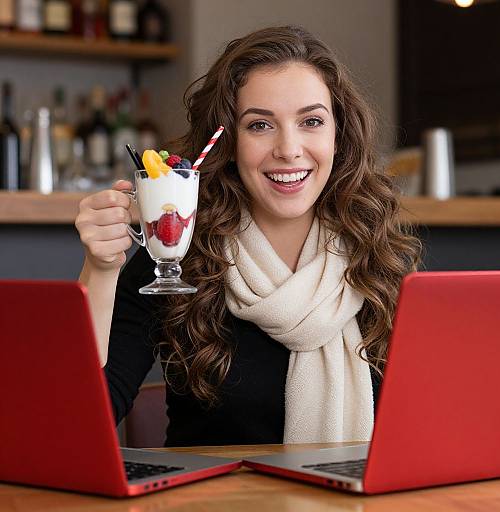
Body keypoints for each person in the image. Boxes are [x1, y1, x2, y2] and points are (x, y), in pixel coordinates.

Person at [75, 26, 421, 447]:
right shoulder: (175, 256)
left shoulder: (380, 261)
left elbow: (425, 425)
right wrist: (100, 269)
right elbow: (77, 421)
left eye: (311, 121)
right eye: (260, 125)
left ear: (338, 135)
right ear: (230, 142)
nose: (289, 148)